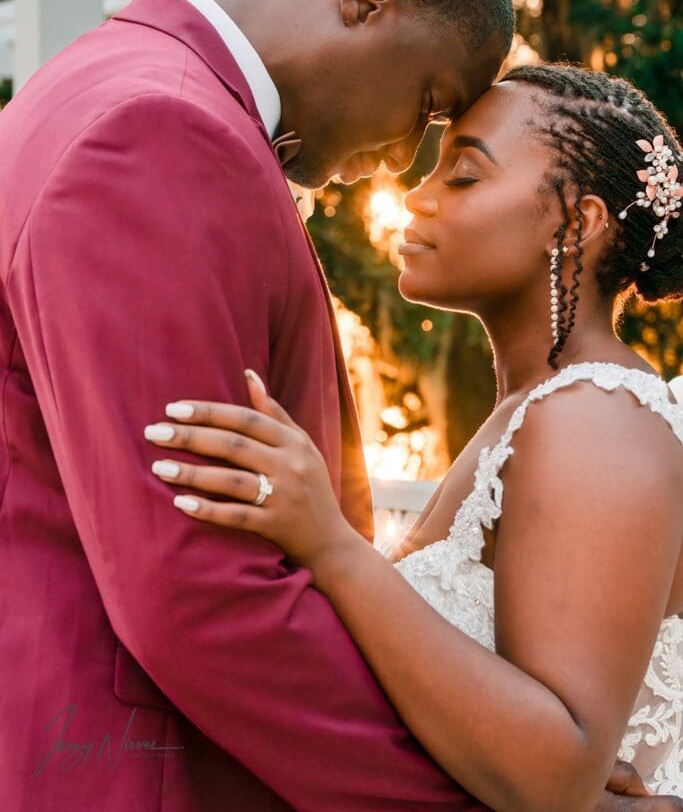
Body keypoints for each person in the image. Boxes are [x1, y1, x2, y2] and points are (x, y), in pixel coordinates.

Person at [0, 0, 518, 812]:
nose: (406, 158)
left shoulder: (108, 83)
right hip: (133, 773)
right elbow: (195, 590)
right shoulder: (160, 131)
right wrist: (468, 792)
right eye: (430, 104)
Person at [145, 65, 683, 810]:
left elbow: (555, 775)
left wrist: (330, 547)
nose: (414, 196)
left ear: (578, 221)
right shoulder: (538, 411)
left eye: (461, 175)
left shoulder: (595, 415)